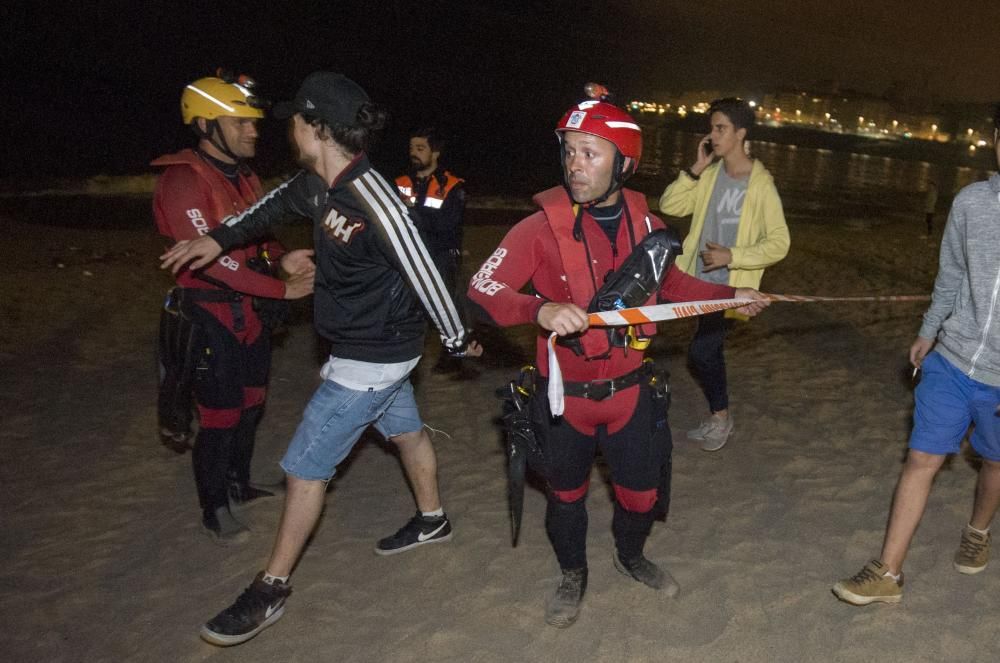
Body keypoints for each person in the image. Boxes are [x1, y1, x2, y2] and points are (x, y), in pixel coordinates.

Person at [160, 71, 481, 646]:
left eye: (295, 121)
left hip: (374, 357)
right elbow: (271, 206)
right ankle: (433, 520)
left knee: (304, 466)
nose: (287, 130)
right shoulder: (318, 184)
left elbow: (426, 271)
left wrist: (458, 338)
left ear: (317, 127)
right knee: (406, 433)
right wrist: (219, 238)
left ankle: (270, 588)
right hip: (371, 350)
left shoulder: (375, 200)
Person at [467, 86, 769, 628]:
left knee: (641, 496)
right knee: (566, 499)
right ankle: (572, 574)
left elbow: (673, 283)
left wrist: (734, 295)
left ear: (623, 163)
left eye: (590, 153)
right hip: (565, 402)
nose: (574, 165)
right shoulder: (538, 228)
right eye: (569, 151)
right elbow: (483, 290)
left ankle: (630, 556)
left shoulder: (648, 227)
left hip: (629, 393)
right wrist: (539, 309)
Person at [832, 108, 1000, 607]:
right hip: (952, 357)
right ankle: (888, 572)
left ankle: (978, 529)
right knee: (922, 457)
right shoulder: (971, 203)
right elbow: (950, 275)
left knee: (994, 464)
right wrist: (928, 331)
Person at [152, 73, 315, 544]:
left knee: (251, 404)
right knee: (220, 414)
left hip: (250, 311)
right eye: (240, 122)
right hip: (209, 315)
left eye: (253, 122)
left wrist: (281, 257)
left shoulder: (244, 176)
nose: (253, 131)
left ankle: (238, 484)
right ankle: (214, 505)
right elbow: (214, 262)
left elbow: (255, 233)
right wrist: (284, 291)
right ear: (205, 124)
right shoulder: (182, 180)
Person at [658, 97, 790, 452]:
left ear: (741, 133)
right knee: (648, 319)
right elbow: (670, 205)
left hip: (729, 288)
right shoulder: (711, 174)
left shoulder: (761, 185)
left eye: (721, 128)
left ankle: (721, 418)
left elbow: (779, 243)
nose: (713, 135)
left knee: (702, 352)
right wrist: (694, 170)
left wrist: (733, 256)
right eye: (712, 128)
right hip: (692, 278)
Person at [396, 128, 468, 372]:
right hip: (408, 255)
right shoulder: (400, 182)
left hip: (441, 255)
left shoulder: (452, 185)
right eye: (411, 149)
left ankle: (452, 356)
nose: (414, 154)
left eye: (420, 148)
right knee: (405, 309)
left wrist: (412, 212)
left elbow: (446, 225)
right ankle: (406, 356)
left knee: (444, 306)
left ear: (435, 152)